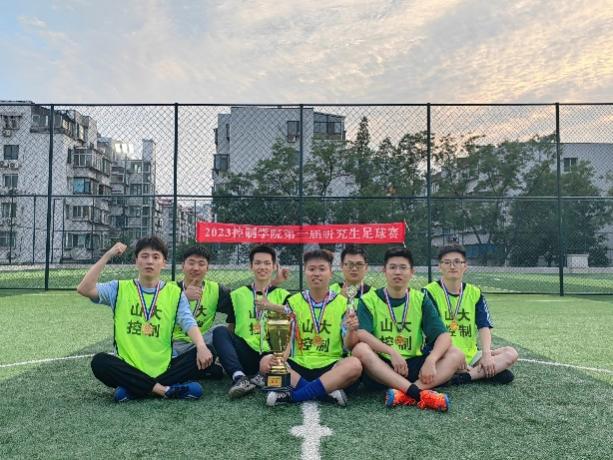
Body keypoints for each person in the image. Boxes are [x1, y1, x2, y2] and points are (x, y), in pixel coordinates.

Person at [77, 236, 214, 402]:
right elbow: (84, 288)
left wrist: (201, 346)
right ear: (136, 261)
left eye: (156, 257)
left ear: (163, 263)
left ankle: (135, 389)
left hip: (164, 367)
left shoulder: (174, 293)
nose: (150, 261)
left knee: (208, 350)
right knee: (100, 362)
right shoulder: (119, 288)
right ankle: (163, 390)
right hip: (129, 366)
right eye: (144, 256)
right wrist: (108, 255)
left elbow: (188, 322)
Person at [348, 247, 465, 412]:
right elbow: (362, 333)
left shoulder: (420, 299)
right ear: (384, 270)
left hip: (414, 366)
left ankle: (403, 394)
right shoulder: (368, 299)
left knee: (456, 353)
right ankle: (417, 393)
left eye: (403, 267)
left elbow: (443, 335)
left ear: (411, 272)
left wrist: (431, 360)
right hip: (382, 367)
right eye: (393, 267)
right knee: (360, 349)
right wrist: (391, 352)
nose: (398, 272)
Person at [262, 249, 362, 407]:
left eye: (322, 269)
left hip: (331, 366)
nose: (316, 273)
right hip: (299, 364)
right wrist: (280, 359)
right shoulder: (294, 301)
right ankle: (324, 393)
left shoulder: (343, 303)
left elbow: (349, 345)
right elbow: (287, 339)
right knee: (266, 362)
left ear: (330, 273)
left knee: (354, 364)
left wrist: (352, 330)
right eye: (312, 269)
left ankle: (293, 396)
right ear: (305, 272)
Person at [423, 244, 518, 385]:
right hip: (444, 354)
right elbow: (432, 332)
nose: (452, 266)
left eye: (457, 262)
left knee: (511, 353)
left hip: (471, 354)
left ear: (465, 266)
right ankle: (479, 373)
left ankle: (465, 377)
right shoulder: (429, 292)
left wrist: (486, 355)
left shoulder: (475, 292)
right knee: (505, 376)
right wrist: (455, 355)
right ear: (440, 266)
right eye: (447, 262)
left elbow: (484, 326)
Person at [213, 245, 290, 399]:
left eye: (267, 263)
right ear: (251, 266)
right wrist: (226, 351)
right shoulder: (238, 294)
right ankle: (240, 378)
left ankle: (263, 376)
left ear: (274, 267)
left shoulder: (283, 295)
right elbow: (232, 325)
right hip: (245, 353)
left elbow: (296, 319)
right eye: (258, 263)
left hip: (270, 354)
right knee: (220, 331)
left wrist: (271, 306)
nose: (262, 267)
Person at [171, 245, 230, 378]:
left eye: (201, 264)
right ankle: (202, 369)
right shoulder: (168, 289)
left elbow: (237, 310)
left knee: (221, 330)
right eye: (191, 263)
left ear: (207, 268)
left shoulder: (216, 289)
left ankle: (196, 367)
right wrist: (183, 297)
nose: (196, 268)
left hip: (202, 343)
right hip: (171, 343)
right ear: (183, 266)